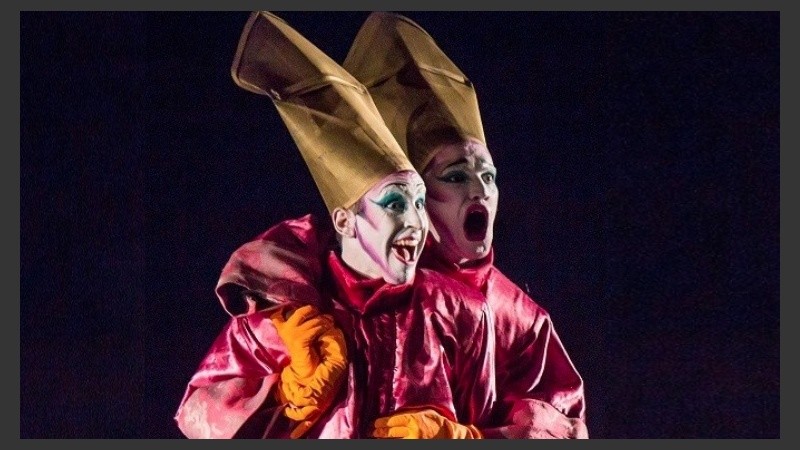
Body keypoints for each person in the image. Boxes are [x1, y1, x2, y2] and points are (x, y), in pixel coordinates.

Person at [212, 12, 589, 439]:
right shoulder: (305, 287)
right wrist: (286, 390)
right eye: (454, 177)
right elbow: (207, 409)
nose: (480, 192)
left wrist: (473, 438)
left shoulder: (508, 317)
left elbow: (566, 428)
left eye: (489, 176)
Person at [174, 11, 495, 439]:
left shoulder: (463, 313)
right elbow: (196, 416)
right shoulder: (286, 313)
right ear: (345, 219)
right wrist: (286, 392)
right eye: (395, 203)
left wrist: (462, 438)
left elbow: (494, 421)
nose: (417, 220)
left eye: (419, 202)